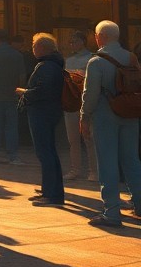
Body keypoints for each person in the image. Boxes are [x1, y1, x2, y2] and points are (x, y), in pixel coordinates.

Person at [80, 20, 141, 227]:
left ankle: (112, 212)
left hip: (105, 115)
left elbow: (90, 95)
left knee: (107, 162)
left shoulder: (96, 61)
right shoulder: (131, 57)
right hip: (130, 113)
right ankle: (140, 205)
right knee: (132, 160)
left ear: (101, 37)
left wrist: (84, 116)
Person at [18, 33, 65, 207]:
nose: (32, 50)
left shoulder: (46, 66)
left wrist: (25, 93)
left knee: (45, 152)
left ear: (43, 48)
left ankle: (52, 194)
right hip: (49, 112)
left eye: (34, 46)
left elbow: (42, 91)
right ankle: (49, 191)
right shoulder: (53, 64)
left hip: (42, 113)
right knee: (47, 152)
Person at [0, 29, 26, 165]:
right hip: (12, 94)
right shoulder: (17, 55)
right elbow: (22, 76)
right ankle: (13, 155)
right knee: (11, 126)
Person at [62, 29, 94, 181]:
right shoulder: (68, 60)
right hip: (71, 102)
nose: (72, 44)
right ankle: (75, 169)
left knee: (89, 138)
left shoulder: (91, 59)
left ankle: (93, 170)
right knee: (72, 139)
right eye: (71, 42)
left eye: (74, 41)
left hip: (85, 101)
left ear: (82, 42)